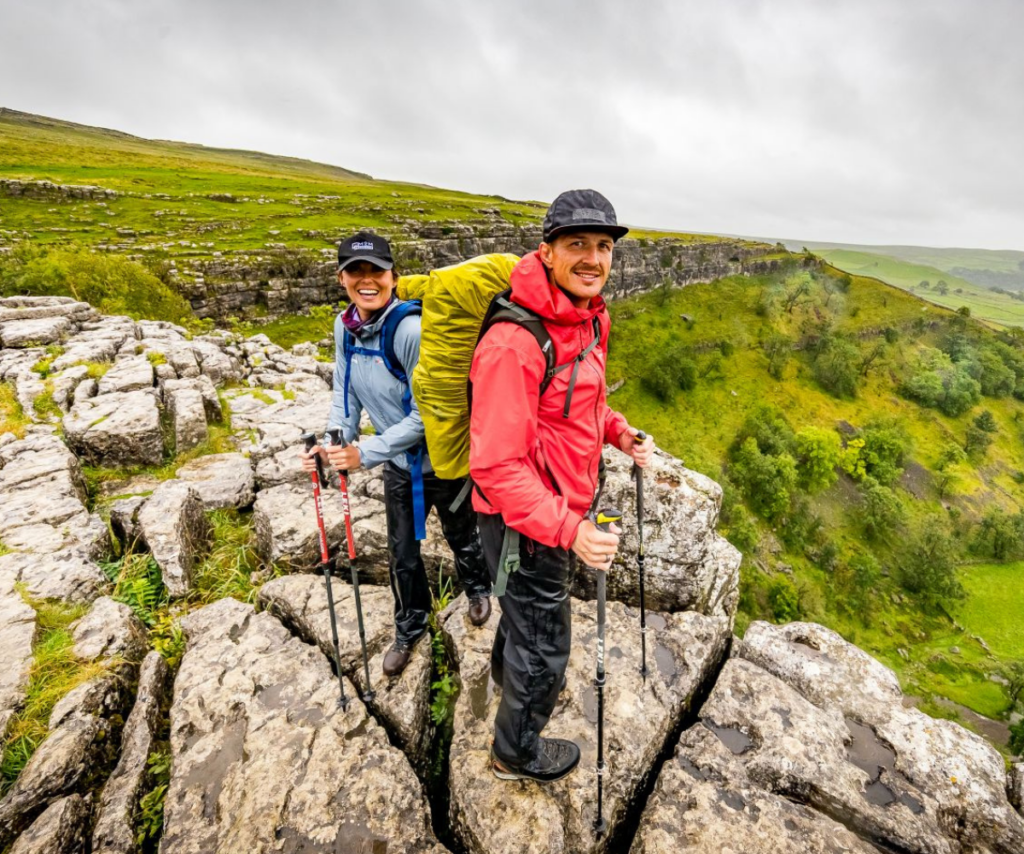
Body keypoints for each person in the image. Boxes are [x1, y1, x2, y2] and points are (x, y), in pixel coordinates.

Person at [469, 189, 655, 783]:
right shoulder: (515, 342)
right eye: (577, 244)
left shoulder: (587, 318)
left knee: (523, 619)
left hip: (553, 507)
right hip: (529, 521)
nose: (593, 258)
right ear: (546, 251)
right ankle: (515, 753)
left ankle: (507, 680)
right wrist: (571, 529)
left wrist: (620, 434)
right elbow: (495, 468)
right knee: (546, 642)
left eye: (604, 247)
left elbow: (579, 408)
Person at [301, 231, 492, 678]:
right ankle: (410, 626)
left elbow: (430, 413)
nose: (367, 280)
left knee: (462, 534)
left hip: (443, 459)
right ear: (341, 278)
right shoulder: (343, 326)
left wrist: (363, 451)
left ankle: (479, 590)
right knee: (401, 553)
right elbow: (343, 392)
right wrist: (333, 442)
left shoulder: (410, 331)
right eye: (356, 272)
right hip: (400, 465)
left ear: (393, 277)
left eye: (376, 272)